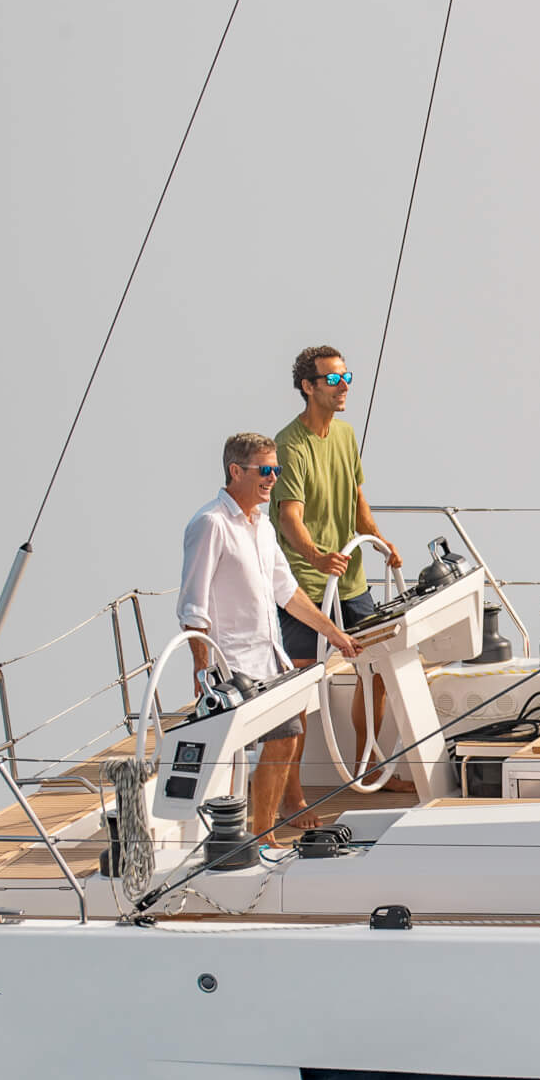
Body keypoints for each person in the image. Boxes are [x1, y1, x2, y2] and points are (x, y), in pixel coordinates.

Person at [179, 432, 358, 846]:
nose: (273, 478)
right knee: (236, 754)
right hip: (231, 665)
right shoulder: (210, 524)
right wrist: (201, 668)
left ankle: (263, 834)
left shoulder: (263, 526)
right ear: (236, 471)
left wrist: (335, 634)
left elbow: (288, 591)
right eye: (265, 470)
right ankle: (241, 835)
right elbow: (193, 606)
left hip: (269, 658)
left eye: (276, 470)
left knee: (288, 738)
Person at [270, 344, 408, 800]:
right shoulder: (289, 445)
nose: (343, 385)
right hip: (304, 588)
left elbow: (356, 501)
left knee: (377, 672)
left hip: (349, 582)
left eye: (346, 376)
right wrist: (316, 557)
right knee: (301, 693)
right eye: (332, 379)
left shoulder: (346, 437)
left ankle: (365, 769)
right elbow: (289, 517)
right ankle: (293, 795)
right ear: (308, 387)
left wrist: (380, 539)